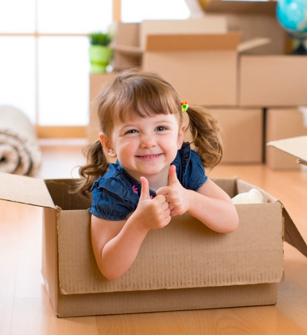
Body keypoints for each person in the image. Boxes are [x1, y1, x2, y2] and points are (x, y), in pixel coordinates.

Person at [76, 70, 239, 280]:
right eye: (132, 131)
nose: (149, 142)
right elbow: (109, 268)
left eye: (161, 128)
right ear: (109, 144)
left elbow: (230, 219)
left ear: (179, 137)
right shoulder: (112, 190)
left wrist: (190, 198)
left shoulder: (185, 166)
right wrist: (139, 223)